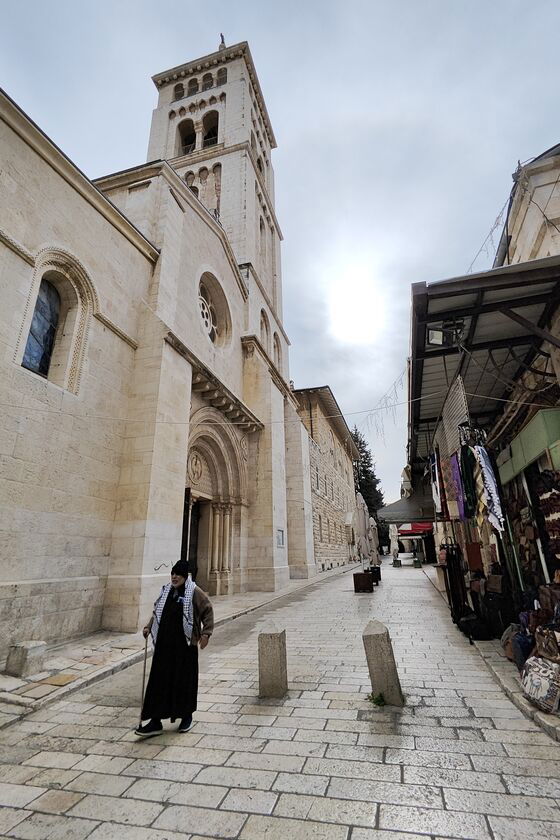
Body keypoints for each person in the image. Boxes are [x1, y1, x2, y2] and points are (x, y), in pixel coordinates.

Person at [135, 559, 214, 738]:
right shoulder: (166, 592)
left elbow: (207, 610)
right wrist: (149, 626)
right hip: (165, 646)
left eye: (178, 574)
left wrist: (206, 634)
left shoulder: (194, 592)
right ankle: (155, 720)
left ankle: (186, 716)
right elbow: (158, 612)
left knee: (184, 681)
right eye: (172, 573)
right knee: (159, 682)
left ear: (186, 576)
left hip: (185, 647)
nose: (174, 577)